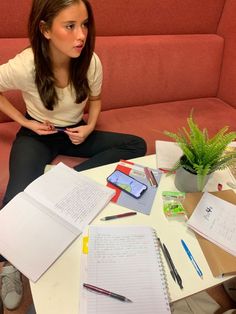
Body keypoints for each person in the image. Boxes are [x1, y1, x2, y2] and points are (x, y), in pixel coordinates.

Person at [0, 0, 146, 310]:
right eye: (70, 26)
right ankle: (8, 265)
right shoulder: (26, 65)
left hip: (74, 134)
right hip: (38, 136)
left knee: (136, 145)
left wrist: (90, 125)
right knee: (14, 200)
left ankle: (66, 182)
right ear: (45, 30)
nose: (81, 35)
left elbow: (96, 99)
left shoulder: (90, 62)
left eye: (85, 24)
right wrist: (25, 122)